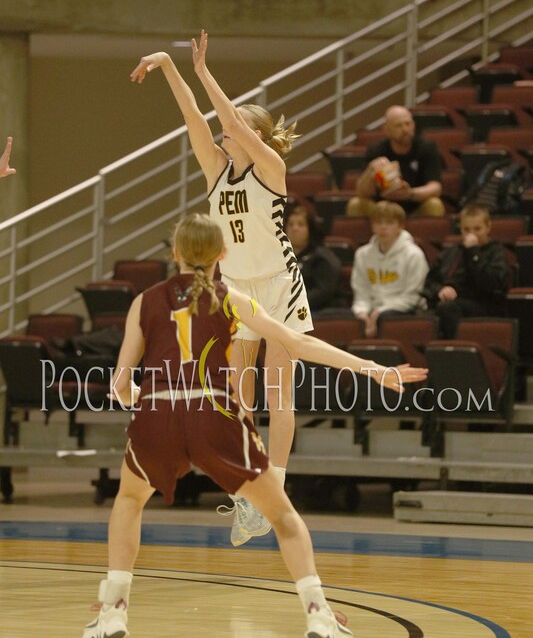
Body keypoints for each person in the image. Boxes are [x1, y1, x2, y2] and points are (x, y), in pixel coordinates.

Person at [81, 212, 427, 638]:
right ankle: (318, 614)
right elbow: (299, 342)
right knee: (282, 516)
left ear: (174, 254)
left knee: (130, 501)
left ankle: (114, 609)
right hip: (214, 416)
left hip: (160, 412)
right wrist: (373, 368)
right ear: (223, 254)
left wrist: (147, 400)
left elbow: (120, 385)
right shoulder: (233, 298)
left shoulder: (144, 301)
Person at [131, 31, 312, 545]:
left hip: (278, 286)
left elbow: (228, 118)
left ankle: (275, 484)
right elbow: (195, 118)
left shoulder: (272, 170)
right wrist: (170, 66)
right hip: (235, 288)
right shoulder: (216, 172)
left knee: (279, 393)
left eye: (233, 128)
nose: (223, 131)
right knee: (236, 396)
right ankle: (251, 494)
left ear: (251, 135)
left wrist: (205, 71)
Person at [422, 203, 510, 338]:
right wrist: (440, 289)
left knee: (447, 308)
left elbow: (490, 283)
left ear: (488, 227)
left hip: (483, 304)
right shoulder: (451, 252)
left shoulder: (496, 253)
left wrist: (473, 252)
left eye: (477, 229)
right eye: (467, 230)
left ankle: (456, 349)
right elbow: (429, 282)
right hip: (450, 302)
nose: (472, 234)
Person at [347, 106, 445, 218]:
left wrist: (410, 194)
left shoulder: (427, 147)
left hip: (415, 204)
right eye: (399, 125)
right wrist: (370, 172)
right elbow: (362, 193)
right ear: (387, 130)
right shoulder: (376, 150)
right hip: (383, 208)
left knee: (434, 204)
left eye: (408, 124)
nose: (405, 129)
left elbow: (435, 187)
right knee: (355, 204)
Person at [351, 201, 429, 337]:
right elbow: (361, 293)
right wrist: (361, 312)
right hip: (372, 308)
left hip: (404, 309)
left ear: (401, 226)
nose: (383, 228)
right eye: (378, 223)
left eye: (389, 223)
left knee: (384, 318)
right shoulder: (362, 254)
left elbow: (413, 297)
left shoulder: (414, 254)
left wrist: (380, 311)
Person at [284, 204, 343, 313]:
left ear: (310, 229)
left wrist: (292, 305)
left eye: (300, 225)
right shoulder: (280, 257)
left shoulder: (323, 258)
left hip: (319, 313)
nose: (294, 228)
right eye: (290, 224)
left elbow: (324, 291)